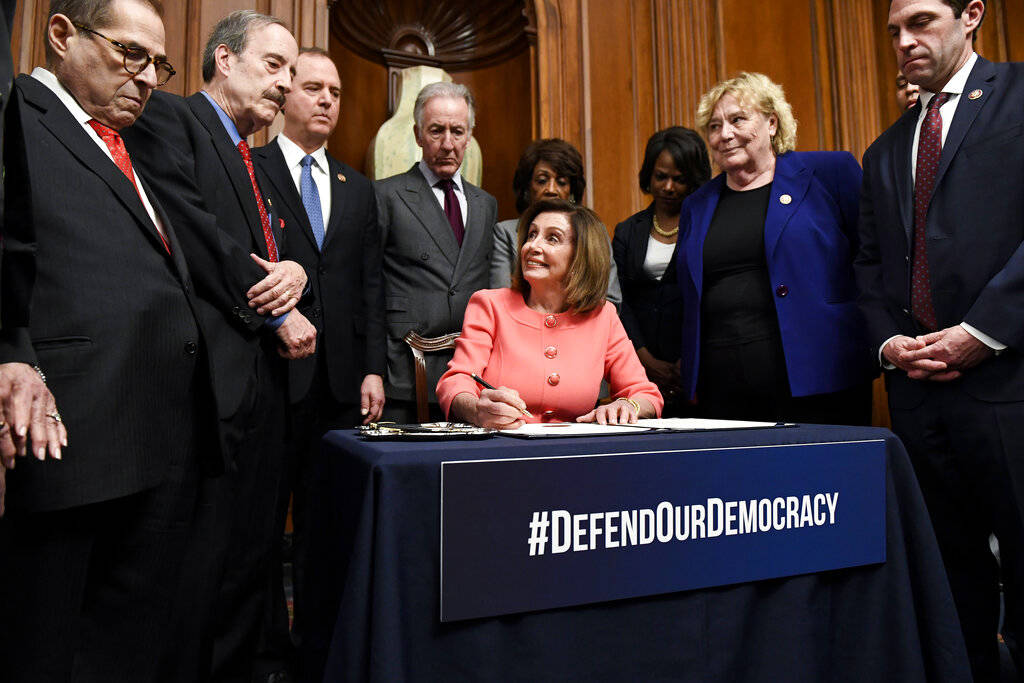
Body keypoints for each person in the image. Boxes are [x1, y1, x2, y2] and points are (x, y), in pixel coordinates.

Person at [0, 1, 221, 680]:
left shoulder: (131, 141)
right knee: (48, 645)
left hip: (160, 438)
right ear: (62, 35)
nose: (149, 76)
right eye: (131, 54)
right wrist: (12, 350)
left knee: (127, 643)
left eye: (160, 63)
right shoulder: (17, 112)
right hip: (69, 433)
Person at [122, 10, 313, 682]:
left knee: (248, 565)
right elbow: (191, 227)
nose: (286, 85)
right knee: (195, 576)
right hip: (200, 391)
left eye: (292, 73)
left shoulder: (254, 159)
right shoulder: (170, 119)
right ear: (224, 60)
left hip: (261, 395)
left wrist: (296, 271)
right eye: (274, 66)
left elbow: (277, 248)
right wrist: (275, 309)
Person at [856, 1, 1024, 678]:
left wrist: (982, 332)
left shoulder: (1017, 96)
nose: (904, 40)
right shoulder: (885, 149)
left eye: (921, 21)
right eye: (895, 30)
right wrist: (889, 344)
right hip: (919, 398)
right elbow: (867, 268)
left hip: (1008, 388)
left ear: (972, 14)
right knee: (954, 590)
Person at [252, 46, 385, 676]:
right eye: (313, 87)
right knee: (259, 522)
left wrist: (373, 368)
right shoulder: (250, 168)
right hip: (271, 374)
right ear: (286, 96)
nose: (327, 99)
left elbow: (369, 287)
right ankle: (268, 650)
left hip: (339, 382)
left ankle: (316, 648)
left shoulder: (356, 187)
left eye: (335, 90)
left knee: (325, 523)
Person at [676, 72, 875, 424]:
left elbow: (872, 257)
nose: (725, 134)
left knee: (822, 479)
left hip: (820, 373)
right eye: (714, 125)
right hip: (722, 384)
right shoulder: (696, 205)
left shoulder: (830, 172)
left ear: (771, 123)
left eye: (738, 119)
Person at [438, 198, 663, 428]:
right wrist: (476, 410)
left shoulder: (603, 315)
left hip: (575, 454)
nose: (532, 246)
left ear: (581, 255)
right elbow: (457, 381)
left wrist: (628, 405)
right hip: (501, 449)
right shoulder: (489, 305)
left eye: (552, 238)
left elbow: (645, 394)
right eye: (531, 235)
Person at [376, 81, 497, 422]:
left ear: (470, 135)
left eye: (457, 131)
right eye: (436, 131)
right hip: (404, 368)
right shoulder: (386, 195)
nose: (447, 144)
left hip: (470, 372)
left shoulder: (485, 204)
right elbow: (368, 287)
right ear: (417, 135)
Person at [613, 127, 710, 415]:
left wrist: (687, 358)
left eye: (679, 179)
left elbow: (711, 296)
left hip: (697, 366)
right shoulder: (628, 230)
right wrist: (643, 357)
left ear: (694, 179)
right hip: (638, 366)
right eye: (660, 177)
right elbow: (620, 301)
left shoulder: (709, 226)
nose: (668, 187)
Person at [490, 138, 622, 307]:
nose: (552, 190)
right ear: (527, 188)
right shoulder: (505, 233)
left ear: (572, 191)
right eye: (542, 180)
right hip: (522, 330)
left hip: (583, 329)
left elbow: (611, 299)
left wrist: (564, 326)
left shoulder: (593, 231)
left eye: (561, 182)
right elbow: (502, 301)